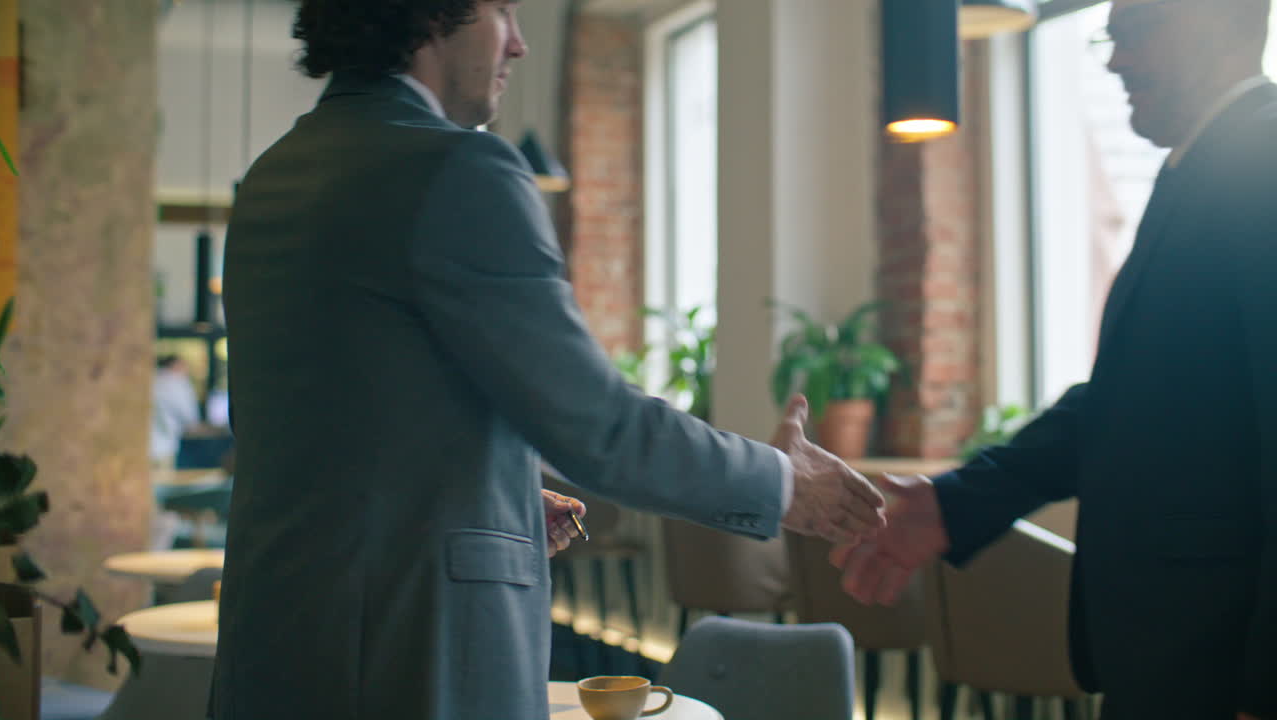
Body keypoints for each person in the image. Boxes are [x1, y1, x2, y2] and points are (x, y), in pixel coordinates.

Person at [211, 2, 886, 719]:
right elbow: (600, 428)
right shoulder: (455, 170)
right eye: (502, 9)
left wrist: (493, 492)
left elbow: (336, 423)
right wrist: (780, 481)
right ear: (432, 15)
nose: (520, 43)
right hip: (409, 655)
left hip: (277, 648)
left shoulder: (273, 178)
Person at [831, 1, 1277, 718]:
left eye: (1142, 31)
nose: (1115, 59)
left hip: (1218, 670)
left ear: (1236, 19)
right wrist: (958, 501)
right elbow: (1124, 401)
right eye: (1112, 34)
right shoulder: (1195, 168)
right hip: (1167, 655)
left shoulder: (1263, 159)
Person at [150, 354, 202, 468]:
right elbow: (189, 418)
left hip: (141, 446)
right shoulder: (178, 383)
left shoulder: (149, 380)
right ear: (176, 365)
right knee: (163, 482)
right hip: (163, 446)